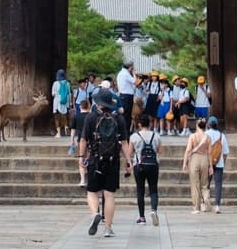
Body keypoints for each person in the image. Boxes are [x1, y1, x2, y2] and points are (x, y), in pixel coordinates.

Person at [78, 87, 125, 238]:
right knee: (109, 194)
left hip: (95, 159)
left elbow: (84, 139)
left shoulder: (91, 117)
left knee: (92, 192)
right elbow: (124, 142)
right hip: (113, 161)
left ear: (98, 103)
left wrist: (81, 156)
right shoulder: (118, 118)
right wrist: (129, 162)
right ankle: (108, 228)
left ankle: (95, 214)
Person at [129, 113, 161, 226]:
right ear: (150, 124)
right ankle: (153, 210)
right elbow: (159, 150)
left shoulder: (134, 136)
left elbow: (129, 152)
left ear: (139, 124)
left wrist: (128, 165)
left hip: (139, 165)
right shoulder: (156, 136)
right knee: (153, 190)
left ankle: (142, 217)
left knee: (140, 191)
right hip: (153, 164)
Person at [181, 118, 213, 213]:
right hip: (204, 159)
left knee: (195, 184)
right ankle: (206, 199)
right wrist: (211, 166)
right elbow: (210, 153)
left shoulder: (193, 136)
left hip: (194, 158)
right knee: (204, 184)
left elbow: (188, 150)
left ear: (197, 126)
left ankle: (196, 207)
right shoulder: (208, 138)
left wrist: (185, 163)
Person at [51, 68, 72, 138]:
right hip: (65, 102)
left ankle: (58, 133)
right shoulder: (68, 83)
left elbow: (53, 94)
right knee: (64, 116)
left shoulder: (56, 83)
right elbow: (69, 94)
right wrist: (69, 103)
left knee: (57, 117)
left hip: (57, 102)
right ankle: (66, 127)